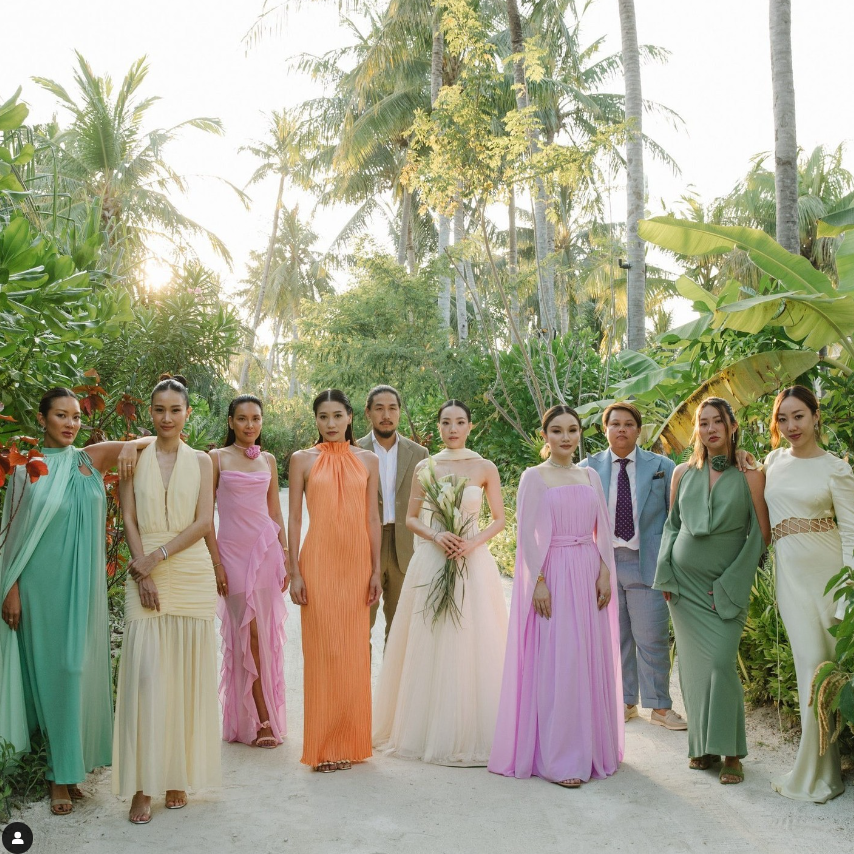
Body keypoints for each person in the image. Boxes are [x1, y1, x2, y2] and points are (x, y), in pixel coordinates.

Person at [0, 388, 151, 816]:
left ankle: (69, 765)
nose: (70, 423)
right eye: (60, 416)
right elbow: (11, 539)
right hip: (38, 588)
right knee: (58, 673)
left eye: (75, 417)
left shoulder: (90, 459)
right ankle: (58, 777)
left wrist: (127, 454)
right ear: (42, 418)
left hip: (83, 589)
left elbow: (155, 439)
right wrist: (9, 588)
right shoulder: (25, 470)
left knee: (79, 672)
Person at [490, 405, 622, 787]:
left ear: (581, 434)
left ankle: (593, 749)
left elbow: (603, 531)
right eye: (557, 431)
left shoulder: (590, 475)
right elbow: (527, 536)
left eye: (572, 430)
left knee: (587, 658)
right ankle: (561, 758)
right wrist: (539, 581)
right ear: (545, 435)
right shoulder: (534, 476)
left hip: (588, 571)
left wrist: (604, 572)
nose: (566, 437)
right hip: (555, 573)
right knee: (560, 660)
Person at [373, 399, 509, 766]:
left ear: (470, 426)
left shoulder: (484, 466)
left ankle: (473, 730)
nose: (453, 429)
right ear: (439, 427)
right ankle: (425, 728)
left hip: (472, 560)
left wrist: (471, 543)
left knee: (472, 640)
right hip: (433, 560)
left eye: (460, 422)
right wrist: (437, 537)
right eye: (446, 422)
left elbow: (499, 518)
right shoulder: (425, 466)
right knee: (430, 638)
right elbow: (412, 518)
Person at [113, 376, 221, 824]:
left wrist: (158, 557)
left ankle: (175, 776)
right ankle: (142, 786)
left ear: (187, 414)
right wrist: (143, 569)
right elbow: (128, 515)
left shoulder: (204, 461)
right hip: (146, 569)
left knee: (183, 677)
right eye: (159, 409)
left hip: (188, 568)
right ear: (150, 413)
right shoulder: (132, 458)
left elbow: (203, 522)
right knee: (146, 678)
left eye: (175, 410)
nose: (167, 417)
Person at [654, 397, 770, 785]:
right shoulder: (683, 473)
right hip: (683, 590)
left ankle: (733, 752)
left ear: (732, 425)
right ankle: (701, 746)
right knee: (693, 669)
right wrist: (665, 574)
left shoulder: (751, 474)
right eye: (703, 423)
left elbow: (760, 535)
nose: (710, 429)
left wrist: (732, 582)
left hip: (726, 587)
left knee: (720, 665)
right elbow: (672, 526)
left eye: (717, 421)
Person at [764, 386, 852, 802]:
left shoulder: (836, 468)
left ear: (816, 416)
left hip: (829, 573)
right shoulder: (772, 462)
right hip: (790, 579)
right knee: (810, 671)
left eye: (798, 416)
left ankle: (824, 772)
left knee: (826, 672)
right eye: (783, 419)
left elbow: (851, 533)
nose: (791, 426)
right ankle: (818, 769)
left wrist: (847, 592)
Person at [288, 389, 381, 772]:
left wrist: (376, 570)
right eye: (323, 417)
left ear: (349, 417)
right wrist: (293, 570)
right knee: (324, 653)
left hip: (357, 564)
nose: (330, 424)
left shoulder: (369, 460)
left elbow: (373, 518)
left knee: (354, 654)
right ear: (315, 420)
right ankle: (324, 747)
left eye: (337, 416)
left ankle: (352, 742)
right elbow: (293, 518)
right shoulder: (301, 460)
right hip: (319, 564)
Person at [579, 403, 686, 730]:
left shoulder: (662, 466)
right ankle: (625, 702)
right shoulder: (587, 468)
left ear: (639, 431)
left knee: (652, 635)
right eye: (615, 424)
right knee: (617, 637)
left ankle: (659, 706)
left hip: (647, 562)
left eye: (628, 424)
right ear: (605, 429)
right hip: (603, 564)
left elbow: (675, 516)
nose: (621, 430)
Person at [205, 395, 288, 749]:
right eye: (242, 418)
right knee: (246, 634)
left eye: (256, 418)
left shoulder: (267, 459)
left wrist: (285, 555)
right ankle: (257, 719)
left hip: (266, 553)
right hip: (233, 555)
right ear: (230, 422)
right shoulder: (215, 459)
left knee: (265, 636)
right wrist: (217, 563)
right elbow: (204, 516)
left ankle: (263, 715)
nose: (250, 425)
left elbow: (275, 512)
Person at [356, 385, 428, 646]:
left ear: (399, 412)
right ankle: (360, 688)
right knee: (360, 628)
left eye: (392, 408)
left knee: (400, 632)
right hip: (364, 545)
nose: (386, 415)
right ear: (368, 413)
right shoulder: (353, 449)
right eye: (379, 408)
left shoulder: (419, 454)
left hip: (405, 547)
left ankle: (392, 688)